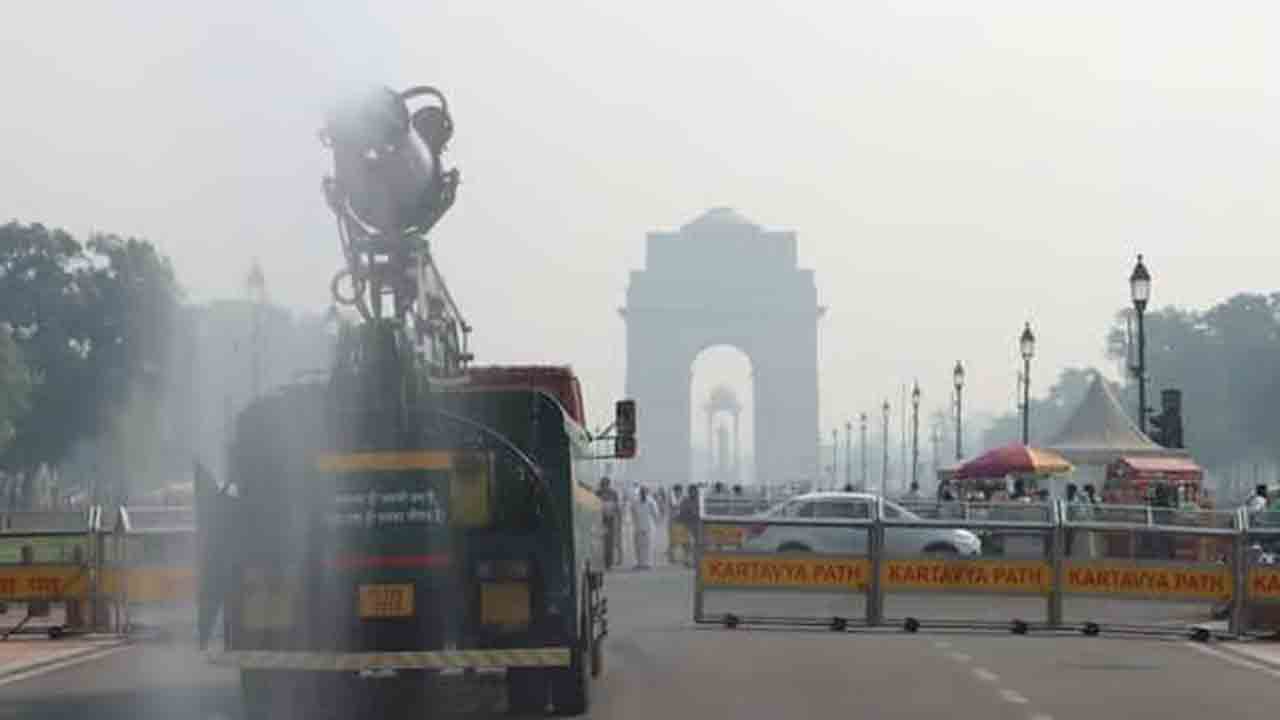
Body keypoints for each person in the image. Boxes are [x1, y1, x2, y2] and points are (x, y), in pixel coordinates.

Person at [630, 486, 659, 569]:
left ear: (646, 492)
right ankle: (640, 563)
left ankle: (647, 563)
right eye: (641, 492)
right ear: (640, 492)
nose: (643, 493)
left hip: (648, 526)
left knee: (648, 545)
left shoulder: (651, 501)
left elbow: (655, 514)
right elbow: (633, 512)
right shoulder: (635, 501)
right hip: (638, 526)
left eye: (644, 492)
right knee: (638, 546)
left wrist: (656, 522)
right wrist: (635, 522)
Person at [597, 477, 621, 570]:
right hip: (600, 520)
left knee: (609, 543)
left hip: (610, 520)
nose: (605, 487)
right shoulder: (598, 493)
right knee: (601, 543)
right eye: (603, 485)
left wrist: (618, 518)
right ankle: (603, 562)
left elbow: (617, 507)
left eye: (606, 485)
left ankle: (608, 563)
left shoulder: (613, 494)